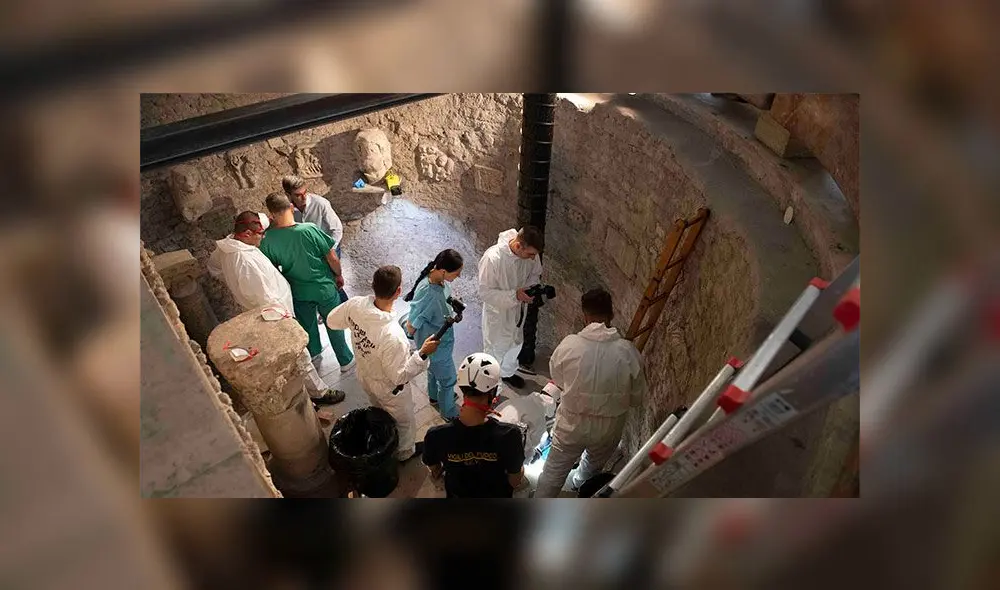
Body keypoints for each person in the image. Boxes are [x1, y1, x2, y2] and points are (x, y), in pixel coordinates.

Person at [206, 211, 345, 405]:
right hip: (274, 315)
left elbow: (214, 268)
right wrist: (284, 318)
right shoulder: (244, 262)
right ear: (246, 233)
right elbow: (263, 298)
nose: (263, 237)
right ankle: (318, 393)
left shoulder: (228, 246)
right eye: (260, 234)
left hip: (275, 307)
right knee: (298, 354)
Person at [534, 288, 646, 497]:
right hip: (609, 427)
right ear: (611, 314)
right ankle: (581, 486)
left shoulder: (569, 345)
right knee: (593, 465)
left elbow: (558, 378)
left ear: (585, 315)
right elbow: (636, 397)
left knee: (553, 471)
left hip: (572, 424)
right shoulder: (628, 352)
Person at [326, 266, 440, 461]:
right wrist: (421, 354)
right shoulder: (393, 336)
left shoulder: (355, 305)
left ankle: (383, 432)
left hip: (364, 374)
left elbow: (331, 321)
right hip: (389, 388)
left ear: (373, 285)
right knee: (404, 422)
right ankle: (404, 453)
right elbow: (399, 376)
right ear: (398, 291)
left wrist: (358, 326)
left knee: (378, 408)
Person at [260, 193, 355, 371]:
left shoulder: (268, 240)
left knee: (308, 324)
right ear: (291, 207)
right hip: (323, 286)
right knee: (333, 322)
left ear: (271, 215)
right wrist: (338, 275)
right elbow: (332, 256)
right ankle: (345, 360)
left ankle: (314, 353)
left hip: (298, 290)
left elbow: (272, 269)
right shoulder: (309, 229)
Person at [422, 353, 526, 497]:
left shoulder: (436, 435)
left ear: (462, 388)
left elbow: (435, 470)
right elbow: (515, 480)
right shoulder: (509, 435)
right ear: (492, 393)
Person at [477, 226, 544, 390]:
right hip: (498, 315)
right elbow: (485, 293)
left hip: (517, 310)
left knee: (515, 342)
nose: (533, 258)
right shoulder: (492, 259)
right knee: (495, 349)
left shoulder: (530, 256)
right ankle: (490, 387)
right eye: (530, 254)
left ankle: (507, 373)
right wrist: (514, 296)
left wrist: (529, 290)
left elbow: (534, 274)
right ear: (518, 246)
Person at [403, 249, 464, 420]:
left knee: (433, 370)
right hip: (436, 343)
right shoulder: (429, 293)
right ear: (444, 271)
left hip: (438, 340)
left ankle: (434, 396)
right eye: (457, 273)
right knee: (448, 378)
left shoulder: (434, 278)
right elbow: (411, 325)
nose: (458, 276)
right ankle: (449, 411)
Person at [282, 175, 349, 305]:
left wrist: (329, 251)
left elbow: (337, 229)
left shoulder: (320, 204)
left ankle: (345, 308)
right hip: (308, 252)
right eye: (298, 195)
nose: (303, 197)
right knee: (317, 281)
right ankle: (325, 306)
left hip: (329, 247)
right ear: (288, 194)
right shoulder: (287, 209)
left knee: (333, 281)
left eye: (305, 192)